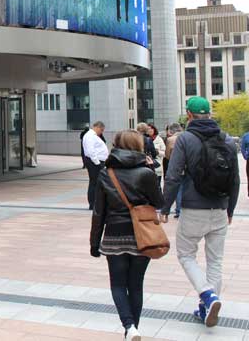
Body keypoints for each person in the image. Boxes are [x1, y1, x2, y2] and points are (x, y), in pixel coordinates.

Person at [161, 96, 240, 328]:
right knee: (215, 260)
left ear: (189, 115)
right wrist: (231, 208)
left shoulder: (185, 138)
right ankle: (207, 307)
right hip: (220, 207)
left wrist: (165, 207)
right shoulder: (226, 139)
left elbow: (173, 175)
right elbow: (235, 178)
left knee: (186, 255)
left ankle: (207, 295)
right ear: (210, 113)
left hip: (194, 207)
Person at [90, 129, 164, 341]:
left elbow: (99, 212)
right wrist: (151, 170)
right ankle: (133, 329)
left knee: (118, 284)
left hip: (114, 234)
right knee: (136, 285)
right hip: (143, 234)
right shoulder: (146, 173)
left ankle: (129, 327)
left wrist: (94, 243)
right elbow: (159, 203)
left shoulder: (107, 173)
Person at [82, 121, 109, 209]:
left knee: (94, 182)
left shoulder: (92, 135)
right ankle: (93, 203)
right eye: (101, 130)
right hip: (94, 162)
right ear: (97, 127)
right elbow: (91, 151)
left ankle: (94, 203)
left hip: (95, 161)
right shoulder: (90, 136)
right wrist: (97, 163)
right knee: (94, 183)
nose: (101, 132)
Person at [164, 123, 184, 217]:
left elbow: (167, 155)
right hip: (187, 167)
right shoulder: (187, 137)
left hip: (175, 167)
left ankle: (178, 210)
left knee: (178, 189)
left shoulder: (170, 140)